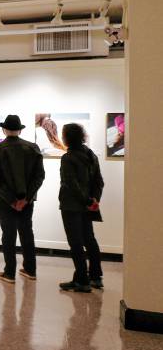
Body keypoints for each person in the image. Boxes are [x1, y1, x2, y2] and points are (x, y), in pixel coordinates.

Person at [0, 114, 46, 284]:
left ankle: (9, 273)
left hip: (4, 201)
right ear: (20, 130)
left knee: (8, 234)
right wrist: (26, 198)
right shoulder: (33, 148)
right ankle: (30, 269)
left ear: (4, 129)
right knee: (27, 232)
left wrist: (12, 201)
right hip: (26, 201)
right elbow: (39, 176)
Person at [58, 123, 105, 293]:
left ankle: (82, 281)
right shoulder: (91, 154)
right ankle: (96, 277)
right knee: (89, 239)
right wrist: (94, 200)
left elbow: (71, 184)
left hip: (72, 206)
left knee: (76, 243)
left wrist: (86, 201)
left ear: (67, 138)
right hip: (88, 205)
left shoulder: (68, 158)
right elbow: (99, 181)